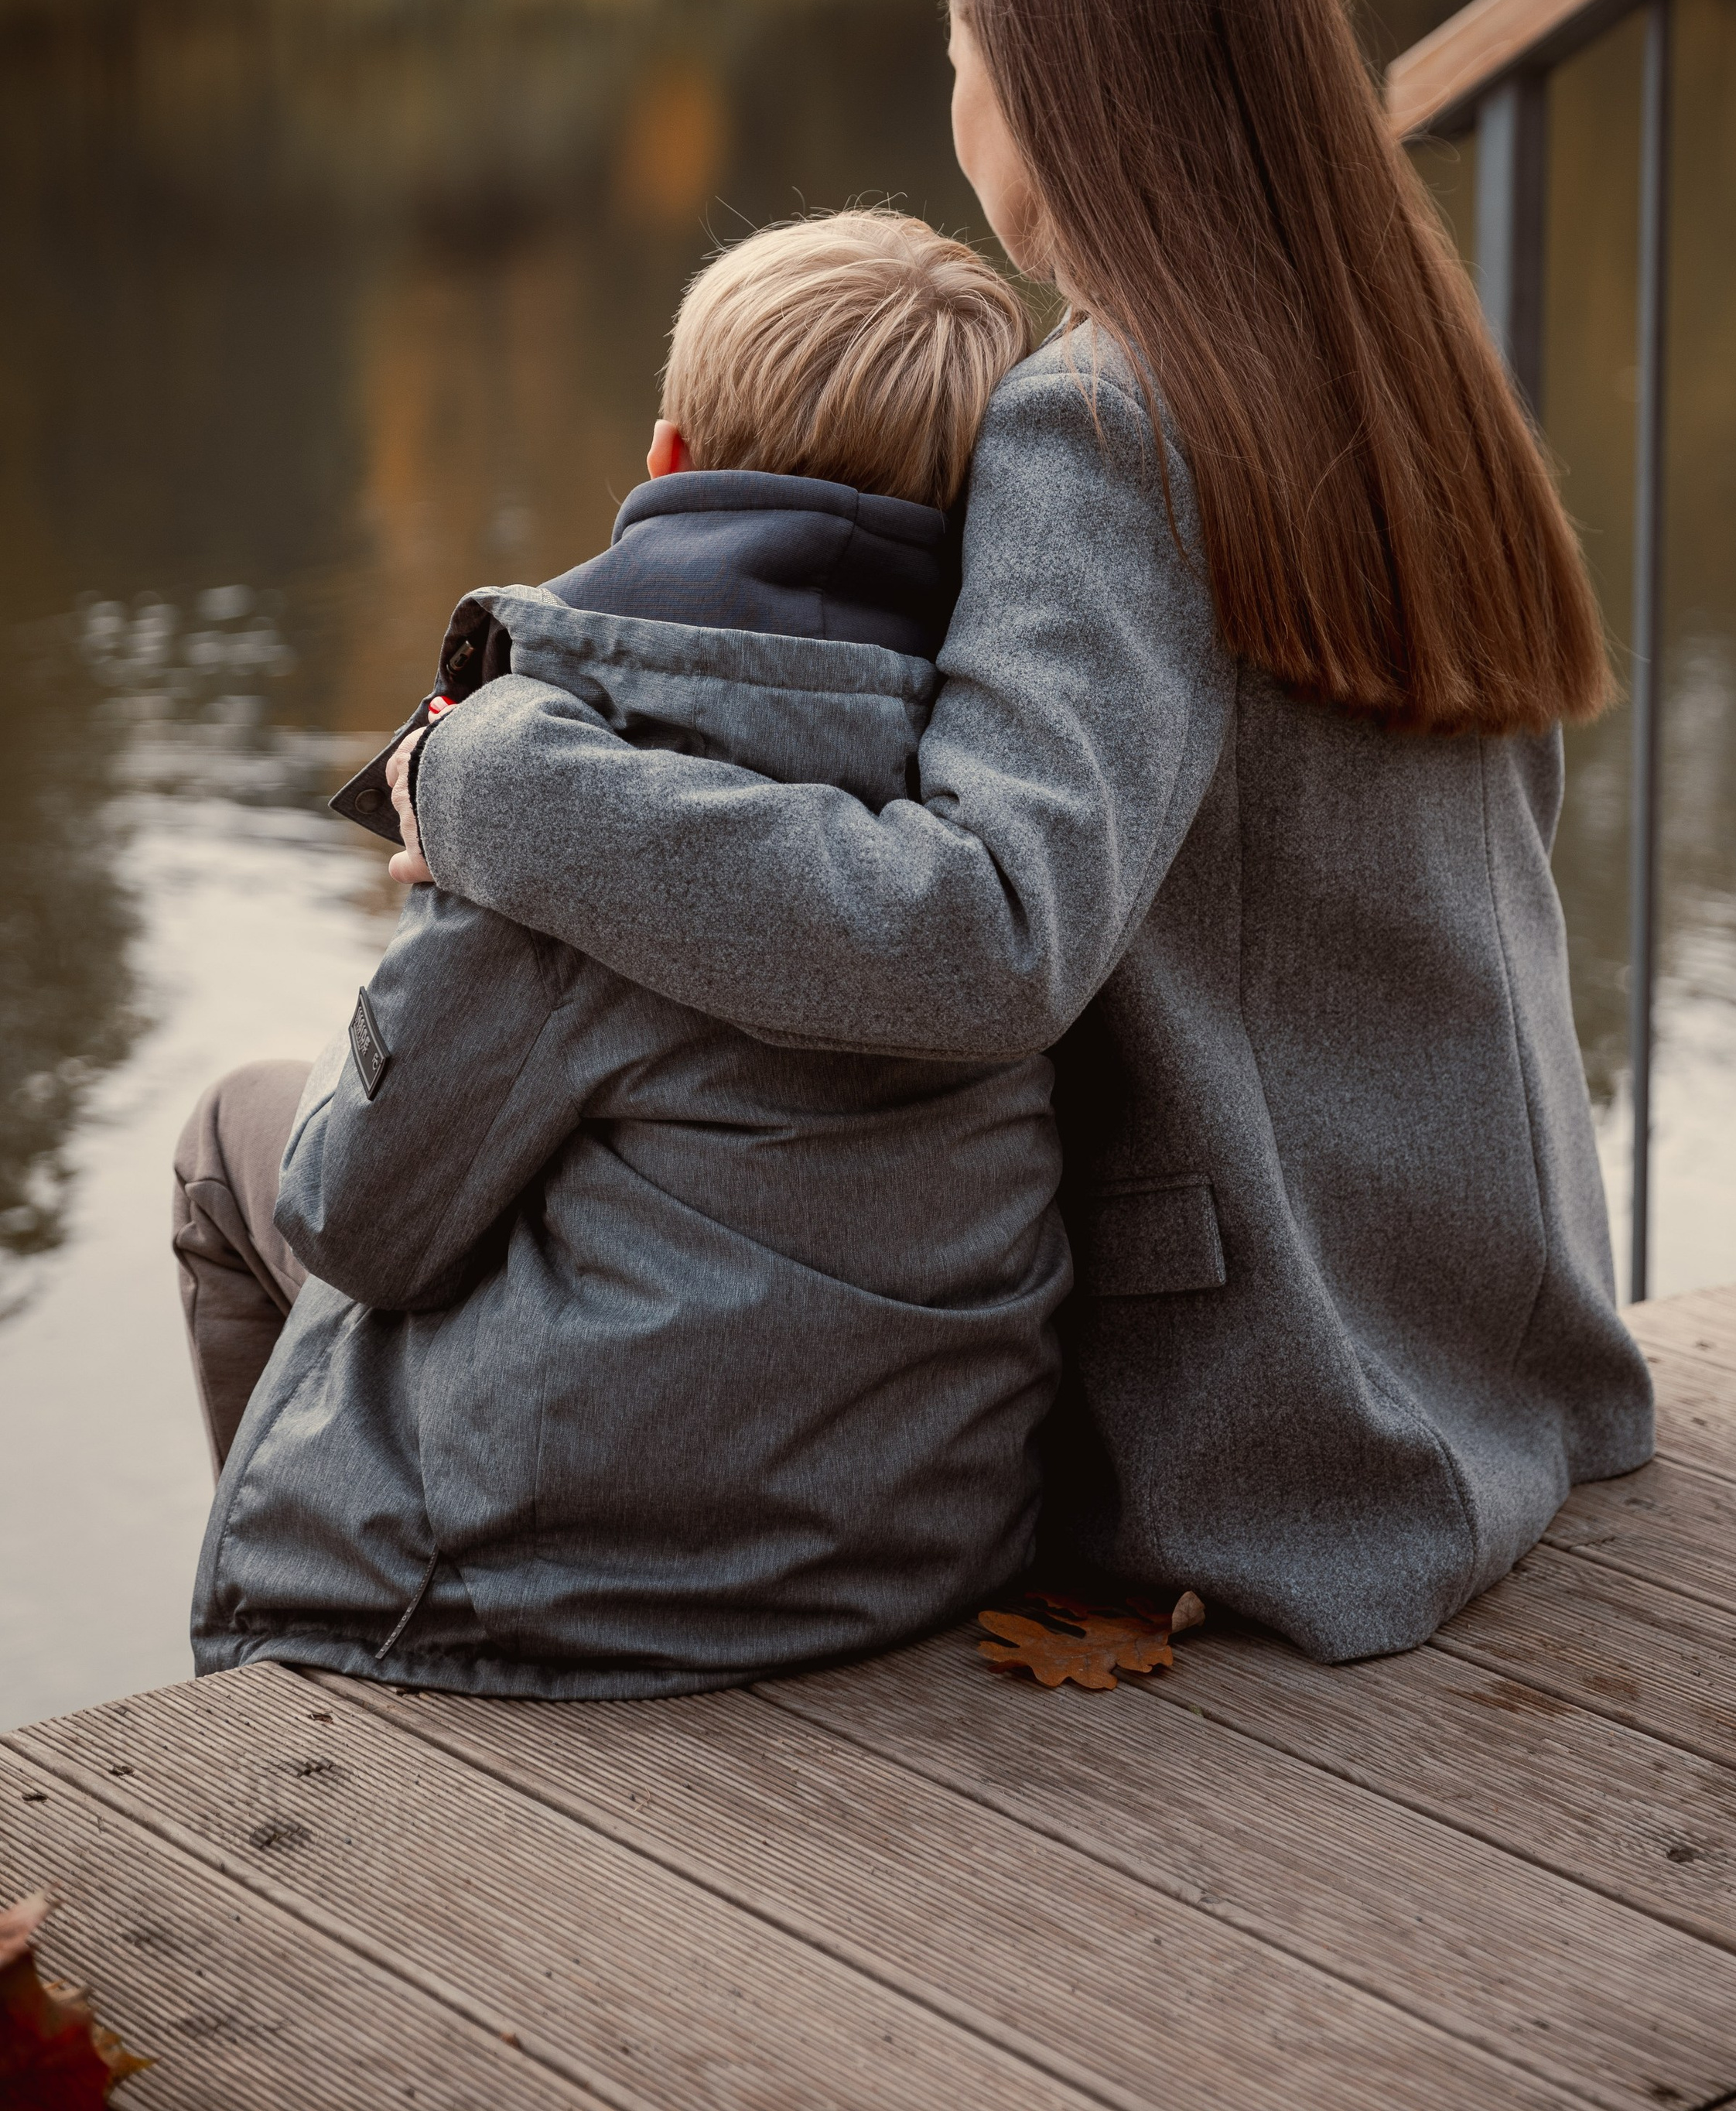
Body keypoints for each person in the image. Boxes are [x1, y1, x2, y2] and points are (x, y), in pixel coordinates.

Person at [388, 0, 1656, 1665]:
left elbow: (982, 932)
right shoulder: (1405, 363)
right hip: (1486, 1344)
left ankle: (343, 1692)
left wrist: (487, 779)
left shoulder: (1104, 418)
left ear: (1051, 95)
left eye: (963, 60)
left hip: (1273, 1426)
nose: (957, 110)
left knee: (305, 1183)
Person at [178, 210, 1073, 1698]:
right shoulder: (1007, 775)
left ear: (668, 460)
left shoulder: (596, 784)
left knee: (235, 1144)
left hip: (592, 1582)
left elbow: (358, 1221)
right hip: (925, 1533)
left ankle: (290, 1678)